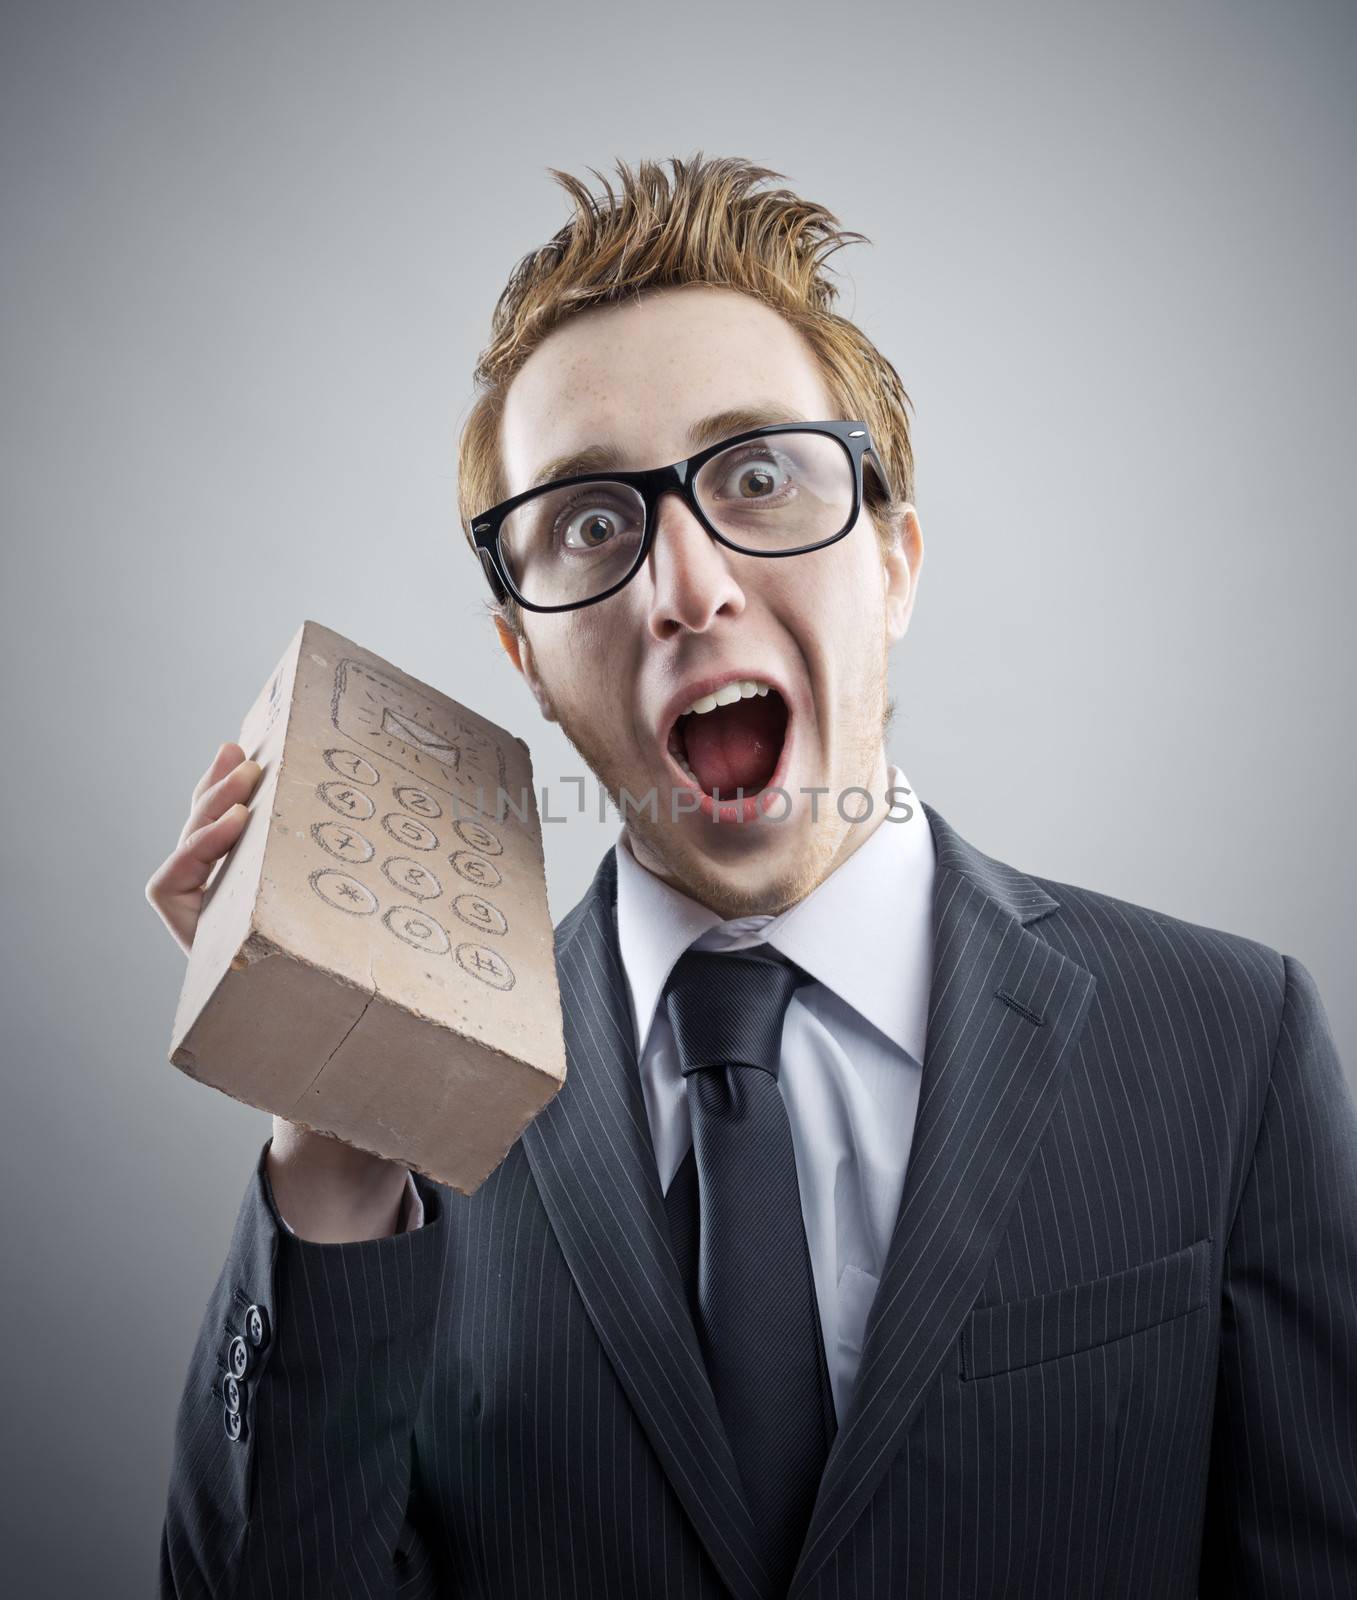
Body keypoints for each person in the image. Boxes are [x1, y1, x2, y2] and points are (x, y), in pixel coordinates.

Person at [150, 154, 1357, 1599]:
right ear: (524, 659)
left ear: (894, 564)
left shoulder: (1227, 1042)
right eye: (594, 522)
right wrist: (335, 1125)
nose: (686, 585)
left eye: (760, 477)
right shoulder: (409, 1123)